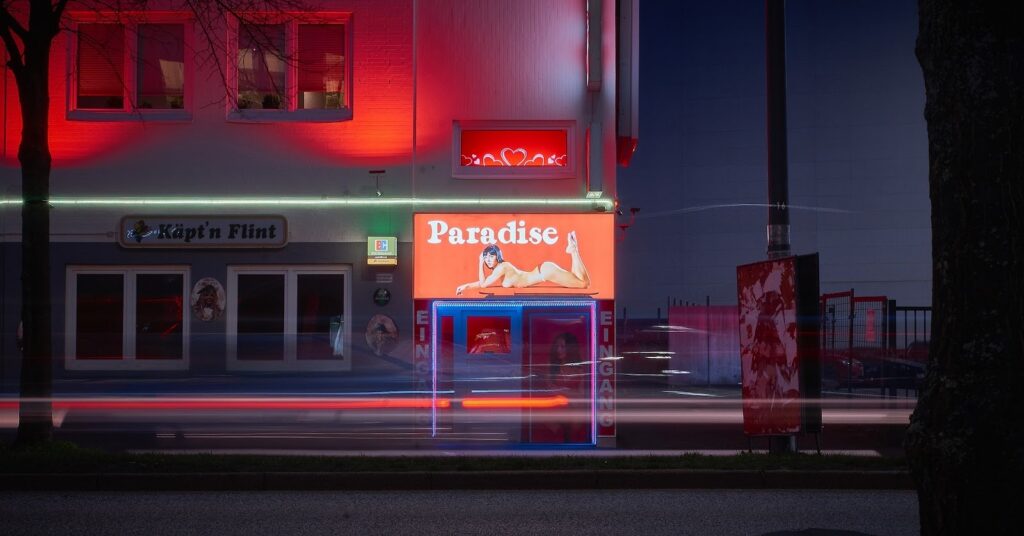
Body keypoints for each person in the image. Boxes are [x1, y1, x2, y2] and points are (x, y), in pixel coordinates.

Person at [455, 231, 590, 295]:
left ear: (498, 257)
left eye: (491, 256)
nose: (488, 259)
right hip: (543, 271)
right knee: (581, 280)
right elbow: (484, 282)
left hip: (544, 272)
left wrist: (479, 262)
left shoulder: (503, 267)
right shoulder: (498, 271)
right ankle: (573, 250)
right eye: (486, 257)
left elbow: (483, 284)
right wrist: (466, 286)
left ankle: (574, 250)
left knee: (584, 284)